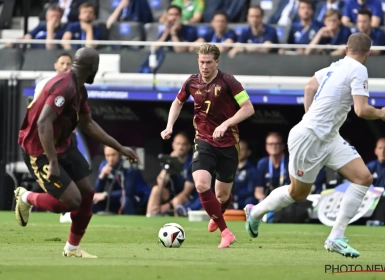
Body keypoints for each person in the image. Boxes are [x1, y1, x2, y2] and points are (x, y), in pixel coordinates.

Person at [243, 33, 385, 258]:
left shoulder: (336, 65)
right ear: (368, 53)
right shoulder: (359, 69)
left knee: (364, 178)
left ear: (346, 49)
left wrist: (311, 115)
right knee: (298, 193)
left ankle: (336, 237)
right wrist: (381, 112)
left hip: (329, 137)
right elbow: (361, 110)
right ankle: (255, 213)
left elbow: (308, 87)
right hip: (309, 138)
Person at [14, 47, 140, 258]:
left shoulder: (79, 89)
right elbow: (43, 123)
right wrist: (53, 161)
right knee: (71, 201)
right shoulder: (65, 87)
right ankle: (26, 197)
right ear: (93, 68)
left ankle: (72, 248)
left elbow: (88, 124)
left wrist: (120, 147)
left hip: (63, 144)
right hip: (40, 150)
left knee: (87, 195)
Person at [160, 43, 255, 248]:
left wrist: (227, 123)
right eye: (201, 62)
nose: (204, 66)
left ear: (217, 62)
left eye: (209, 62)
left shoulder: (229, 82)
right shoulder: (191, 82)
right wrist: (169, 126)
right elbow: (177, 102)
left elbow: (248, 109)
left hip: (229, 143)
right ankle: (226, 232)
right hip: (203, 140)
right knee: (202, 184)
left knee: (222, 196)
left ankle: (217, 213)